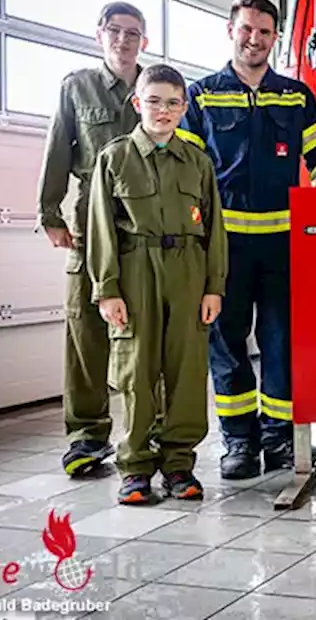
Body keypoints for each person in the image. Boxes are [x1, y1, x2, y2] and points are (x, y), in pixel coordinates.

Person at [177, 0, 316, 480]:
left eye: (265, 31)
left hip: (281, 245)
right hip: (222, 246)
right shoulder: (202, 95)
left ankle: (279, 440)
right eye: (247, 28)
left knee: (281, 344)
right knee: (226, 344)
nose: (255, 39)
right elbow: (184, 167)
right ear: (231, 30)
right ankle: (239, 444)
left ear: (276, 37)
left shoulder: (294, 95)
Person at [85, 63, 228, 504]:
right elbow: (101, 229)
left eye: (172, 103)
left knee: (186, 370)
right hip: (135, 269)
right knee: (136, 370)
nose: (163, 111)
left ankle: (179, 462)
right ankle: (135, 467)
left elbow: (214, 230)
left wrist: (213, 286)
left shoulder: (198, 162)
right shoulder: (114, 158)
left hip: (187, 270)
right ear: (137, 104)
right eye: (153, 101)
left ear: (184, 108)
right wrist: (107, 289)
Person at [36, 1, 152, 477]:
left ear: (144, 41)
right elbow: (58, 148)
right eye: (114, 31)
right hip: (88, 223)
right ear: (99, 35)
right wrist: (50, 212)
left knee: (146, 332)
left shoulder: (156, 86)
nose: (123, 40)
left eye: (132, 33)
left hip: (145, 226)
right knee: (85, 331)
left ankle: (147, 433)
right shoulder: (76, 87)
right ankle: (86, 435)